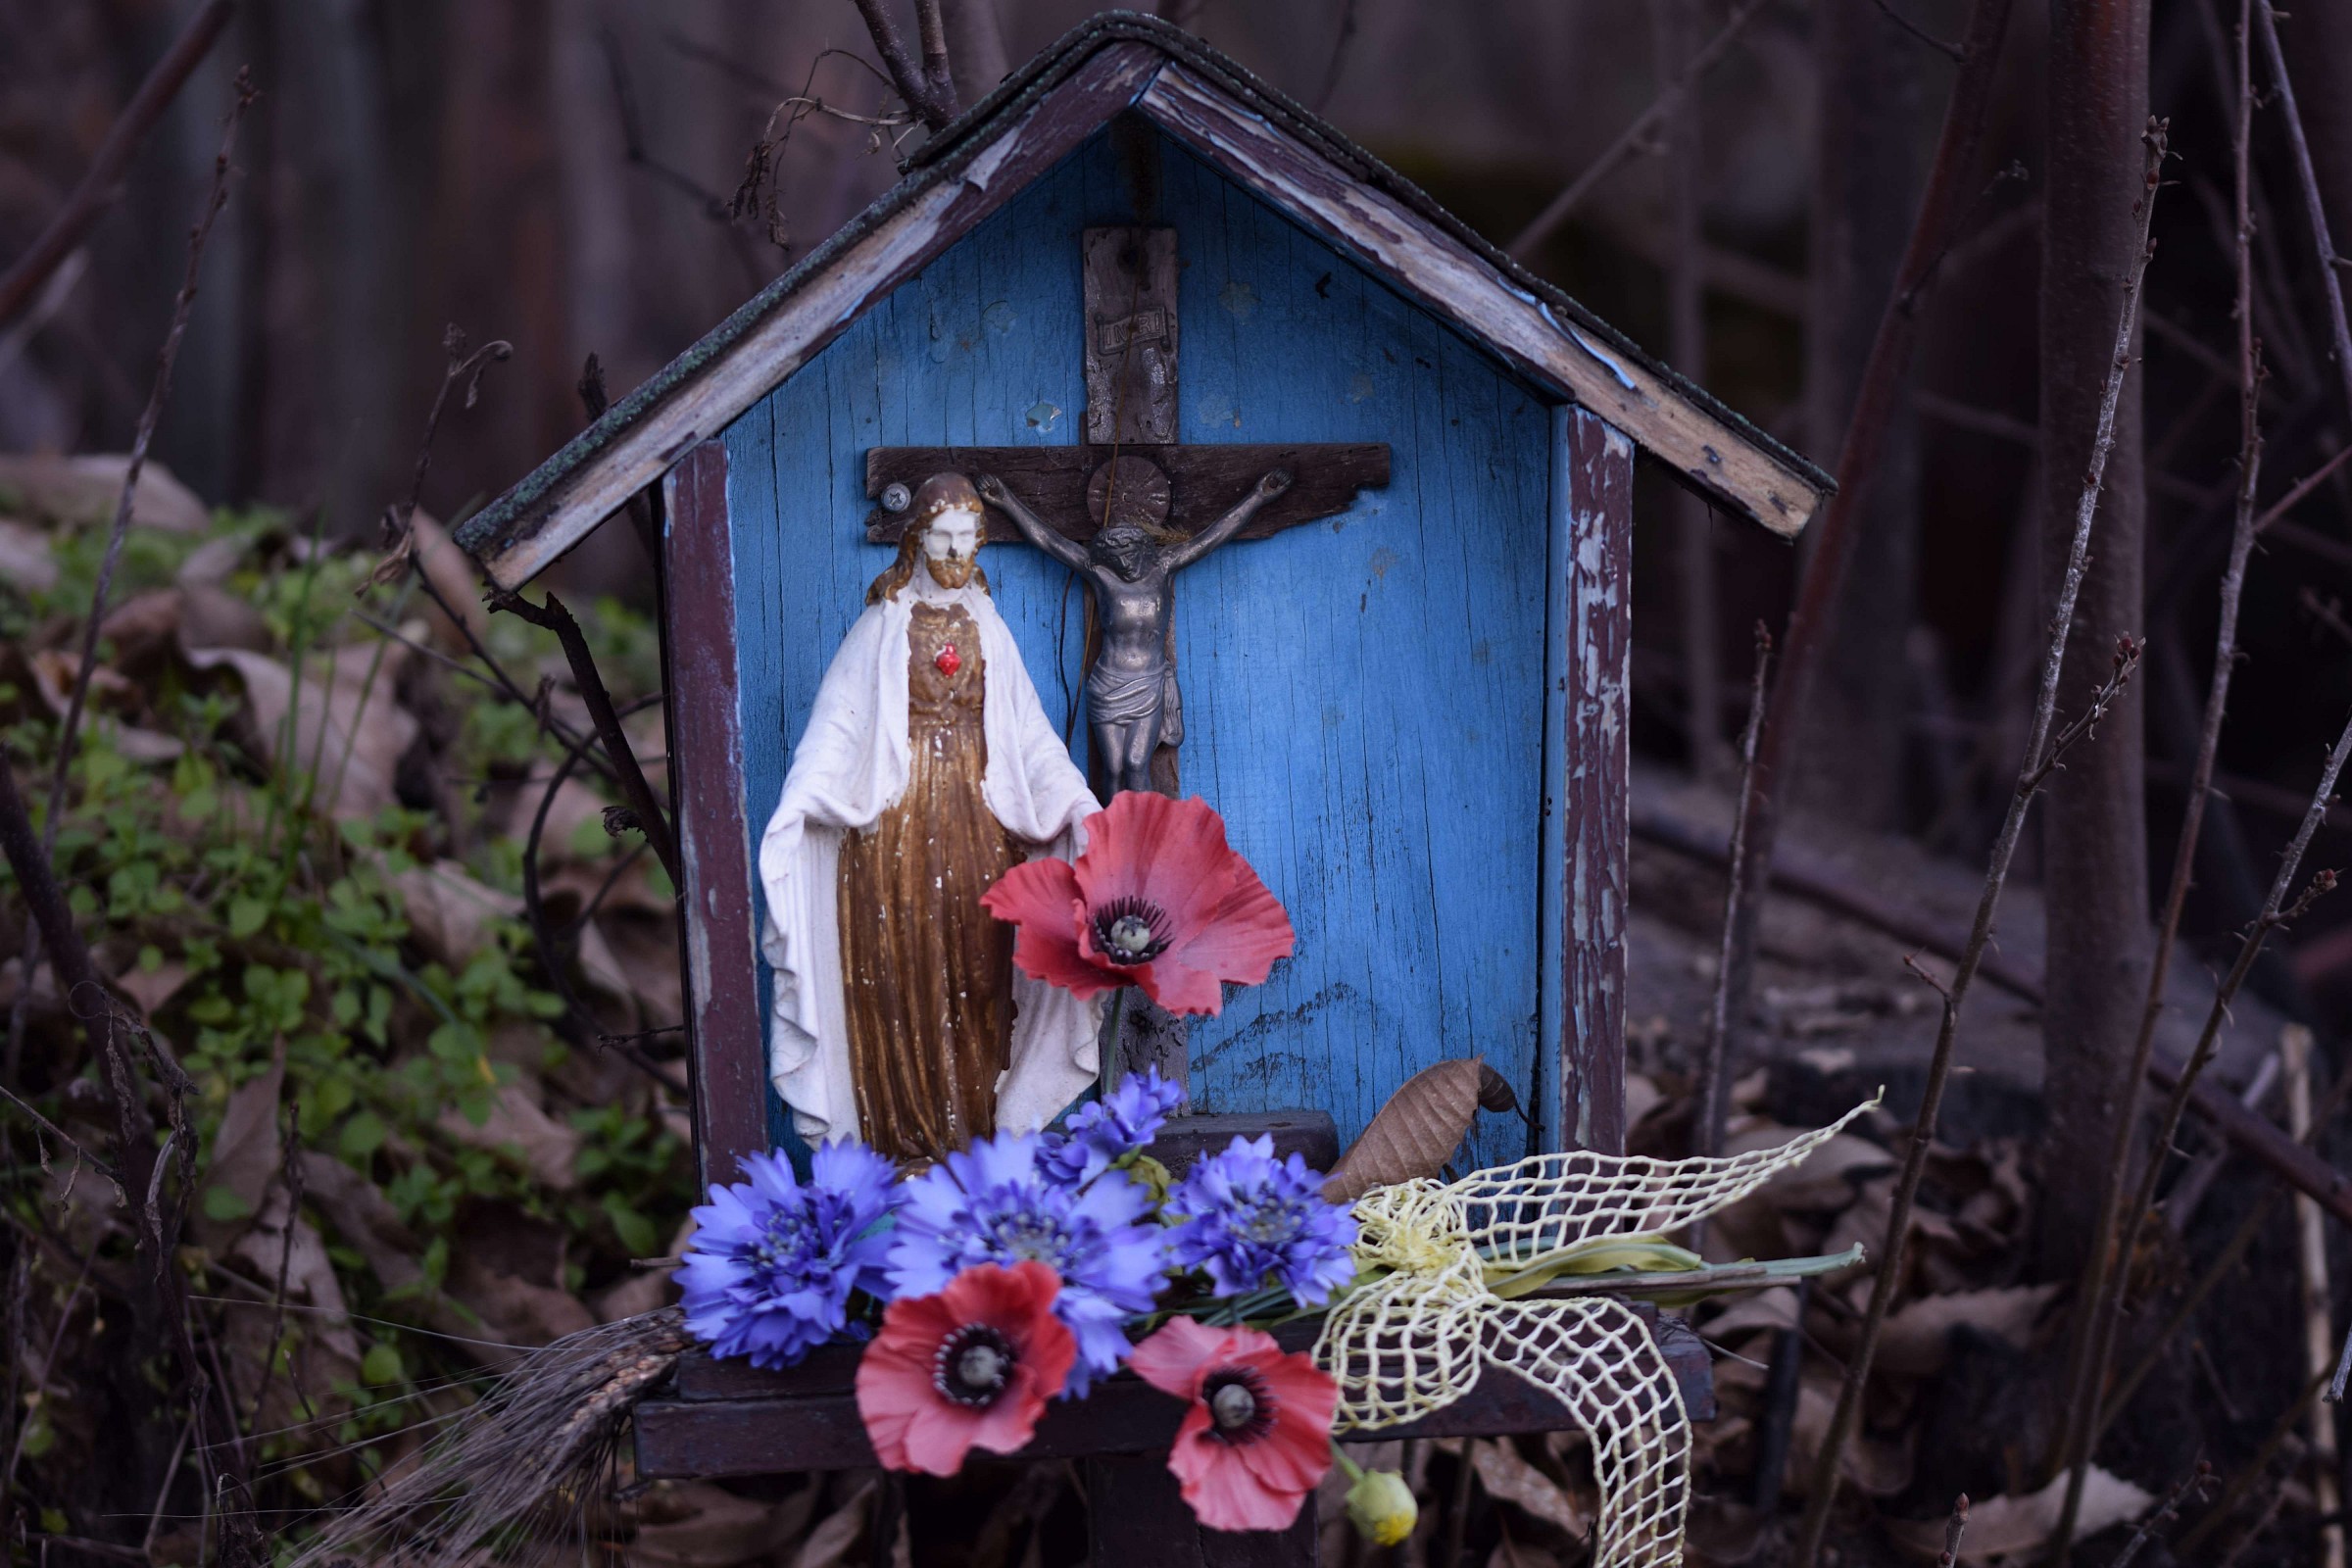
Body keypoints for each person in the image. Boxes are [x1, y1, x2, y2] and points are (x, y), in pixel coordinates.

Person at [756, 473, 1100, 1161]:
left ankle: (977, 1140)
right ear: (915, 539)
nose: (954, 553)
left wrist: (1076, 802)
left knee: (979, 970)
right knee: (897, 974)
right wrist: (802, 798)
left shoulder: (988, 628)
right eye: (941, 537)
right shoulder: (882, 626)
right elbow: (839, 725)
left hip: (979, 825)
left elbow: (1029, 734)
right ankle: (902, 1144)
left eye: (967, 539)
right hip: (894, 830)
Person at [976, 466, 1292, 794]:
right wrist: (1006, 501)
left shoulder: (1163, 568)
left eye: (1128, 554)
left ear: (1143, 550)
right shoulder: (1101, 576)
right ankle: (1109, 827)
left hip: (1148, 681)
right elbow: (1050, 542)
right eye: (1115, 556)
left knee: (1137, 762)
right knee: (1112, 768)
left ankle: (1143, 827)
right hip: (1107, 682)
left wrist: (1258, 497)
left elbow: (1211, 538)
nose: (1123, 562)